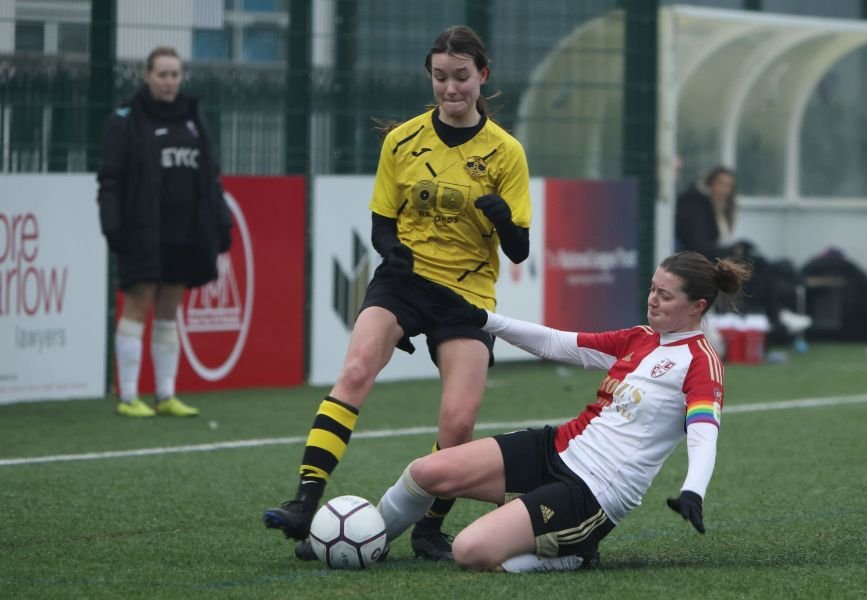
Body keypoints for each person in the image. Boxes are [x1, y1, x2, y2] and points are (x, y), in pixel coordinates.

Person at [263, 25, 532, 562]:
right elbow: (382, 224)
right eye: (440, 78)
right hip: (404, 282)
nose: (451, 89)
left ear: (482, 76)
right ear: (429, 77)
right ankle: (305, 501)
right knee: (357, 369)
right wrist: (394, 253)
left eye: (461, 77)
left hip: (466, 294)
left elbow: (520, 250)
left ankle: (430, 528)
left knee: (458, 422)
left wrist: (503, 220)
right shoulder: (402, 140)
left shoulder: (506, 153)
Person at [376, 251, 751, 572]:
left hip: (593, 491)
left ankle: (577, 555)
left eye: (665, 296)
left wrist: (693, 491)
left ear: (697, 307)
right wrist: (482, 319)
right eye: (653, 288)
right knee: (425, 471)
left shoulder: (701, 361)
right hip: (557, 446)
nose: (653, 299)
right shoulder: (639, 338)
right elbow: (556, 343)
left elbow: (704, 433)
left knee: (469, 551)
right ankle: (370, 541)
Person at [96, 46, 232, 418]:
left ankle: (165, 394)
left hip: (185, 231)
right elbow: (109, 180)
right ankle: (128, 396)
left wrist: (220, 221)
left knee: (170, 309)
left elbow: (210, 177)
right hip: (143, 231)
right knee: (138, 305)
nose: (170, 81)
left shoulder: (192, 119)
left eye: (175, 74)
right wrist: (112, 226)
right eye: (162, 74)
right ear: (147, 76)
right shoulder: (125, 120)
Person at [675, 166, 811, 338]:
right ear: (710, 184)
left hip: (717, 260)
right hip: (704, 264)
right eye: (721, 184)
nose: (725, 190)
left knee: (762, 265)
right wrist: (733, 250)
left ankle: (777, 315)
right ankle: (777, 316)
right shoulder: (695, 207)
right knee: (758, 268)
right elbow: (700, 246)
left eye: (729, 186)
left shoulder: (719, 208)